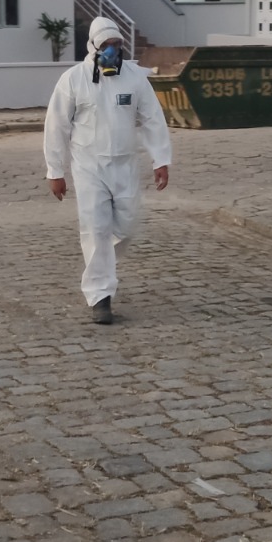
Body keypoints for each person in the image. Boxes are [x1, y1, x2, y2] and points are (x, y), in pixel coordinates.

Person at [44, 17, 172, 324]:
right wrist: (55, 171)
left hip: (125, 165)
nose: (113, 51)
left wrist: (161, 159)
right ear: (93, 48)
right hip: (89, 166)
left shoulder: (135, 78)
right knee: (96, 230)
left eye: (117, 45)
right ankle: (100, 296)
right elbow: (56, 125)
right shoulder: (74, 79)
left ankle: (99, 263)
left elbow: (152, 118)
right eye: (106, 46)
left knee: (125, 229)